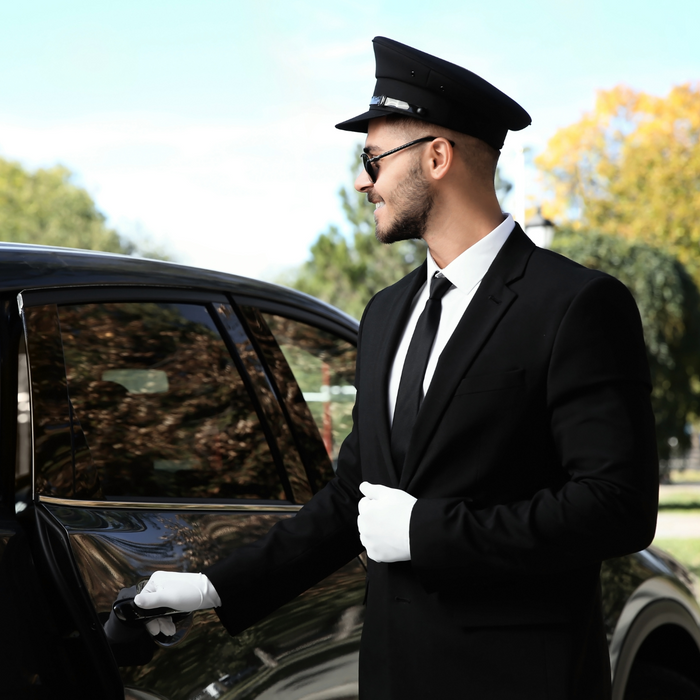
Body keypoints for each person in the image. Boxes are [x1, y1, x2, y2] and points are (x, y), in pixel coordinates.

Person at [135, 37, 659, 699]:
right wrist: (213, 587)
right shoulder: (386, 313)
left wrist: (428, 531)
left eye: (372, 159)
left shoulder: (576, 304)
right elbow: (350, 498)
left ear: (437, 157)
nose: (362, 181)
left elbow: (616, 507)